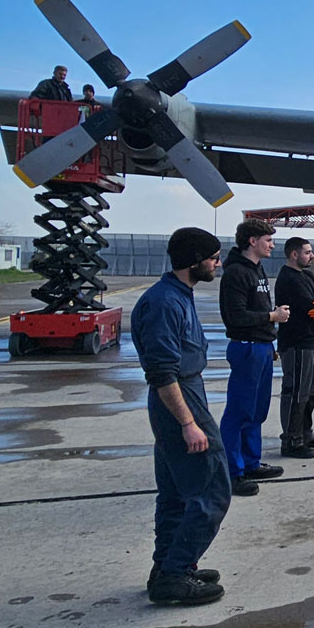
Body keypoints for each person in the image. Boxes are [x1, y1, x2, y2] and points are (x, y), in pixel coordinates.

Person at [132, 227, 231, 605]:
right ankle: (175, 573)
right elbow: (162, 372)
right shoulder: (164, 303)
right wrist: (188, 423)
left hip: (183, 394)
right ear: (194, 261)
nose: (218, 263)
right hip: (178, 398)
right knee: (213, 489)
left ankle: (168, 568)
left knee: (175, 493)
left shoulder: (177, 295)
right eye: (213, 257)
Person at [219, 218, 289, 496]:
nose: (272, 245)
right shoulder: (236, 273)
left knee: (257, 410)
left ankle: (250, 462)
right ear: (252, 241)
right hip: (246, 347)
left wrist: (269, 337)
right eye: (268, 240)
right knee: (239, 411)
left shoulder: (257, 269)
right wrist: (273, 316)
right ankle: (232, 472)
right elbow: (235, 316)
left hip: (261, 346)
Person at [275, 237, 314, 458]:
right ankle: (292, 440)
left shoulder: (307, 276)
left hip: (313, 342)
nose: (312, 256)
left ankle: (305, 434)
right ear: (294, 254)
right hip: (297, 343)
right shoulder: (289, 279)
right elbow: (309, 306)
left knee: (310, 393)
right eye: (307, 252)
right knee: (296, 392)